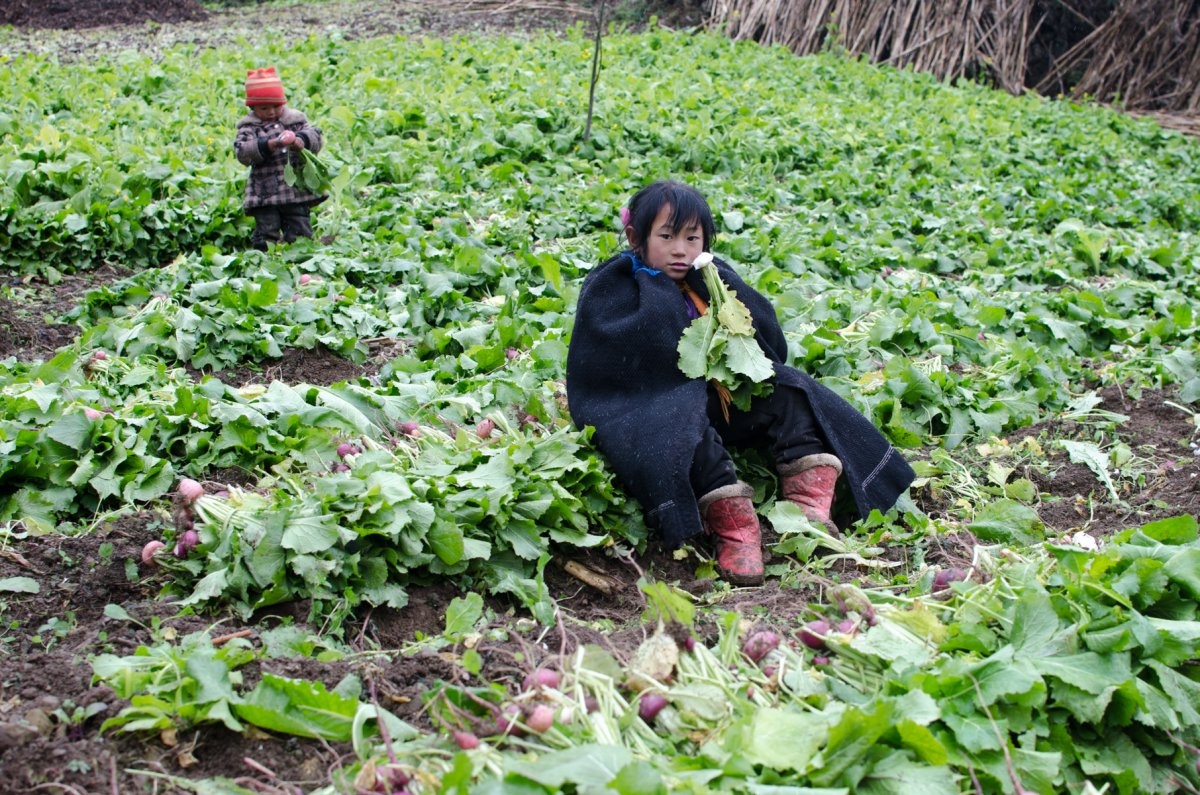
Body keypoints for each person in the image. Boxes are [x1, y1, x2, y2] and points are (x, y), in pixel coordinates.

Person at [566, 180, 915, 586]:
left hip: (726, 401)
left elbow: (771, 348)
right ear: (635, 237)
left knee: (790, 390)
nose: (681, 250)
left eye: (692, 238)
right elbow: (611, 371)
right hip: (658, 409)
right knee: (681, 426)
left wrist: (727, 308)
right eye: (666, 237)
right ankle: (736, 529)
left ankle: (808, 505)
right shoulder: (616, 287)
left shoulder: (712, 277)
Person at [233, 66, 326, 251]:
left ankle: (302, 256)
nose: (271, 112)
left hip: (295, 190)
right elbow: (242, 152)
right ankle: (262, 259)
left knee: (299, 224)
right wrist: (269, 144)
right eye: (264, 108)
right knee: (267, 228)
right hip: (265, 191)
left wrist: (301, 141)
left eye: (276, 106)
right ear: (252, 108)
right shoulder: (250, 127)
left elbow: (316, 137)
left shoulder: (295, 120)